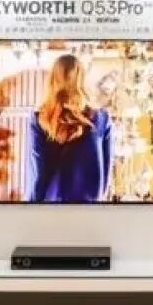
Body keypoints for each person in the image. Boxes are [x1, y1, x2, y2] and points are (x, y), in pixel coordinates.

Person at [26, 54, 113, 202]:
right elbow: (106, 174)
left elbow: (38, 174)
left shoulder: (41, 119)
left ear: (53, 80)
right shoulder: (102, 119)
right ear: (82, 80)